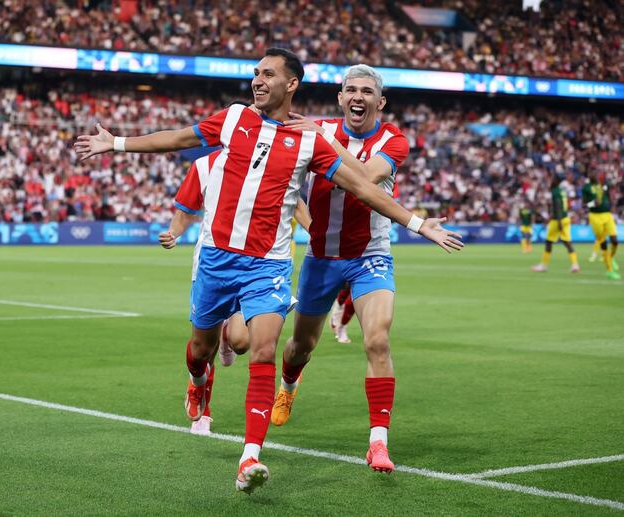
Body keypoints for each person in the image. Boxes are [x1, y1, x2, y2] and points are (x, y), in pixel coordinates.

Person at [74, 48, 463, 494]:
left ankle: (251, 457)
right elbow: (180, 138)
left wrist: (416, 223)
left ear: (291, 84)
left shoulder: (314, 139)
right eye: (255, 73)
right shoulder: (236, 117)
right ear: (338, 97)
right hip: (221, 258)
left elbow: (361, 184)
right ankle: (200, 381)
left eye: (267, 74)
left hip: (273, 263)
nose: (257, 80)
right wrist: (116, 143)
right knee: (207, 348)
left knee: (265, 350)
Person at [268, 64, 413, 474]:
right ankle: (289, 385)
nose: (358, 97)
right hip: (322, 259)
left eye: (367, 91)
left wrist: (325, 138)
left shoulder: (393, 140)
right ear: (340, 97)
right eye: (351, 89)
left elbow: (366, 177)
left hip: (372, 255)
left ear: (379, 102)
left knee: (378, 341)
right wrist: (309, 223)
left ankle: (378, 442)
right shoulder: (315, 130)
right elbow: (289, 185)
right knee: (300, 348)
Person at [159, 150, 311, 434]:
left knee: (241, 342)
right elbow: (186, 210)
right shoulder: (205, 165)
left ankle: (227, 337)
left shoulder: (272, 162)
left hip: (260, 269)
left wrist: (317, 233)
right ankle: (200, 394)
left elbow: (297, 203)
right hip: (214, 266)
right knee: (204, 346)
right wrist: (173, 233)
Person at [532, 176, 580, 273]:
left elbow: (558, 205)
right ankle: (575, 265)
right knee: (567, 242)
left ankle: (544, 265)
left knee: (548, 242)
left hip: (559, 219)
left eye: (552, 179)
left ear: (556, 181)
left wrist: (558, 221)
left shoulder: (555, 192)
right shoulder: (562, 191)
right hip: (565, 218)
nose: (550, 181)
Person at [581, 173, 619, 280]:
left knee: (615, 240)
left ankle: (610, 258)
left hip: (607, 215)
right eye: (593, 173)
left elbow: (609, 191)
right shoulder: (586, 188)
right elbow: (584, 204)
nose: (596, 176)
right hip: (595, 217)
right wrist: (592, 203)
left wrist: (611, 205)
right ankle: (609, 270)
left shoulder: (603, 185)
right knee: (603, 243)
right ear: (589, 176)